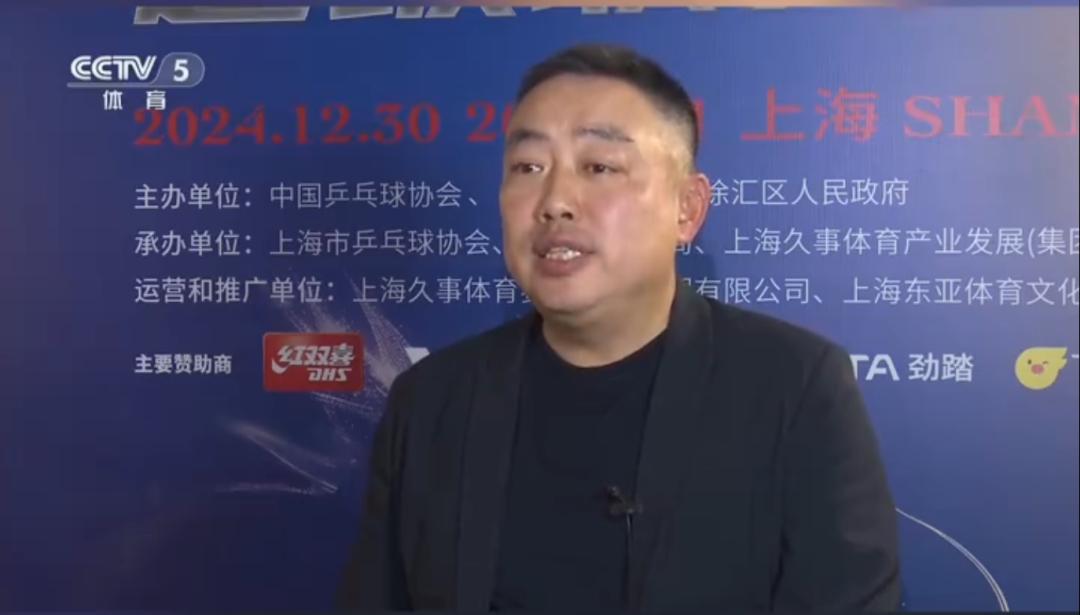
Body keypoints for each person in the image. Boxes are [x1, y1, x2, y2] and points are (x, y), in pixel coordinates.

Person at [337, 43, 901, 611]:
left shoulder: (794, 388)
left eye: (599, 167)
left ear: (687, 209)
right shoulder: (431, 401)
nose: (555, 202)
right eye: (528, 167)